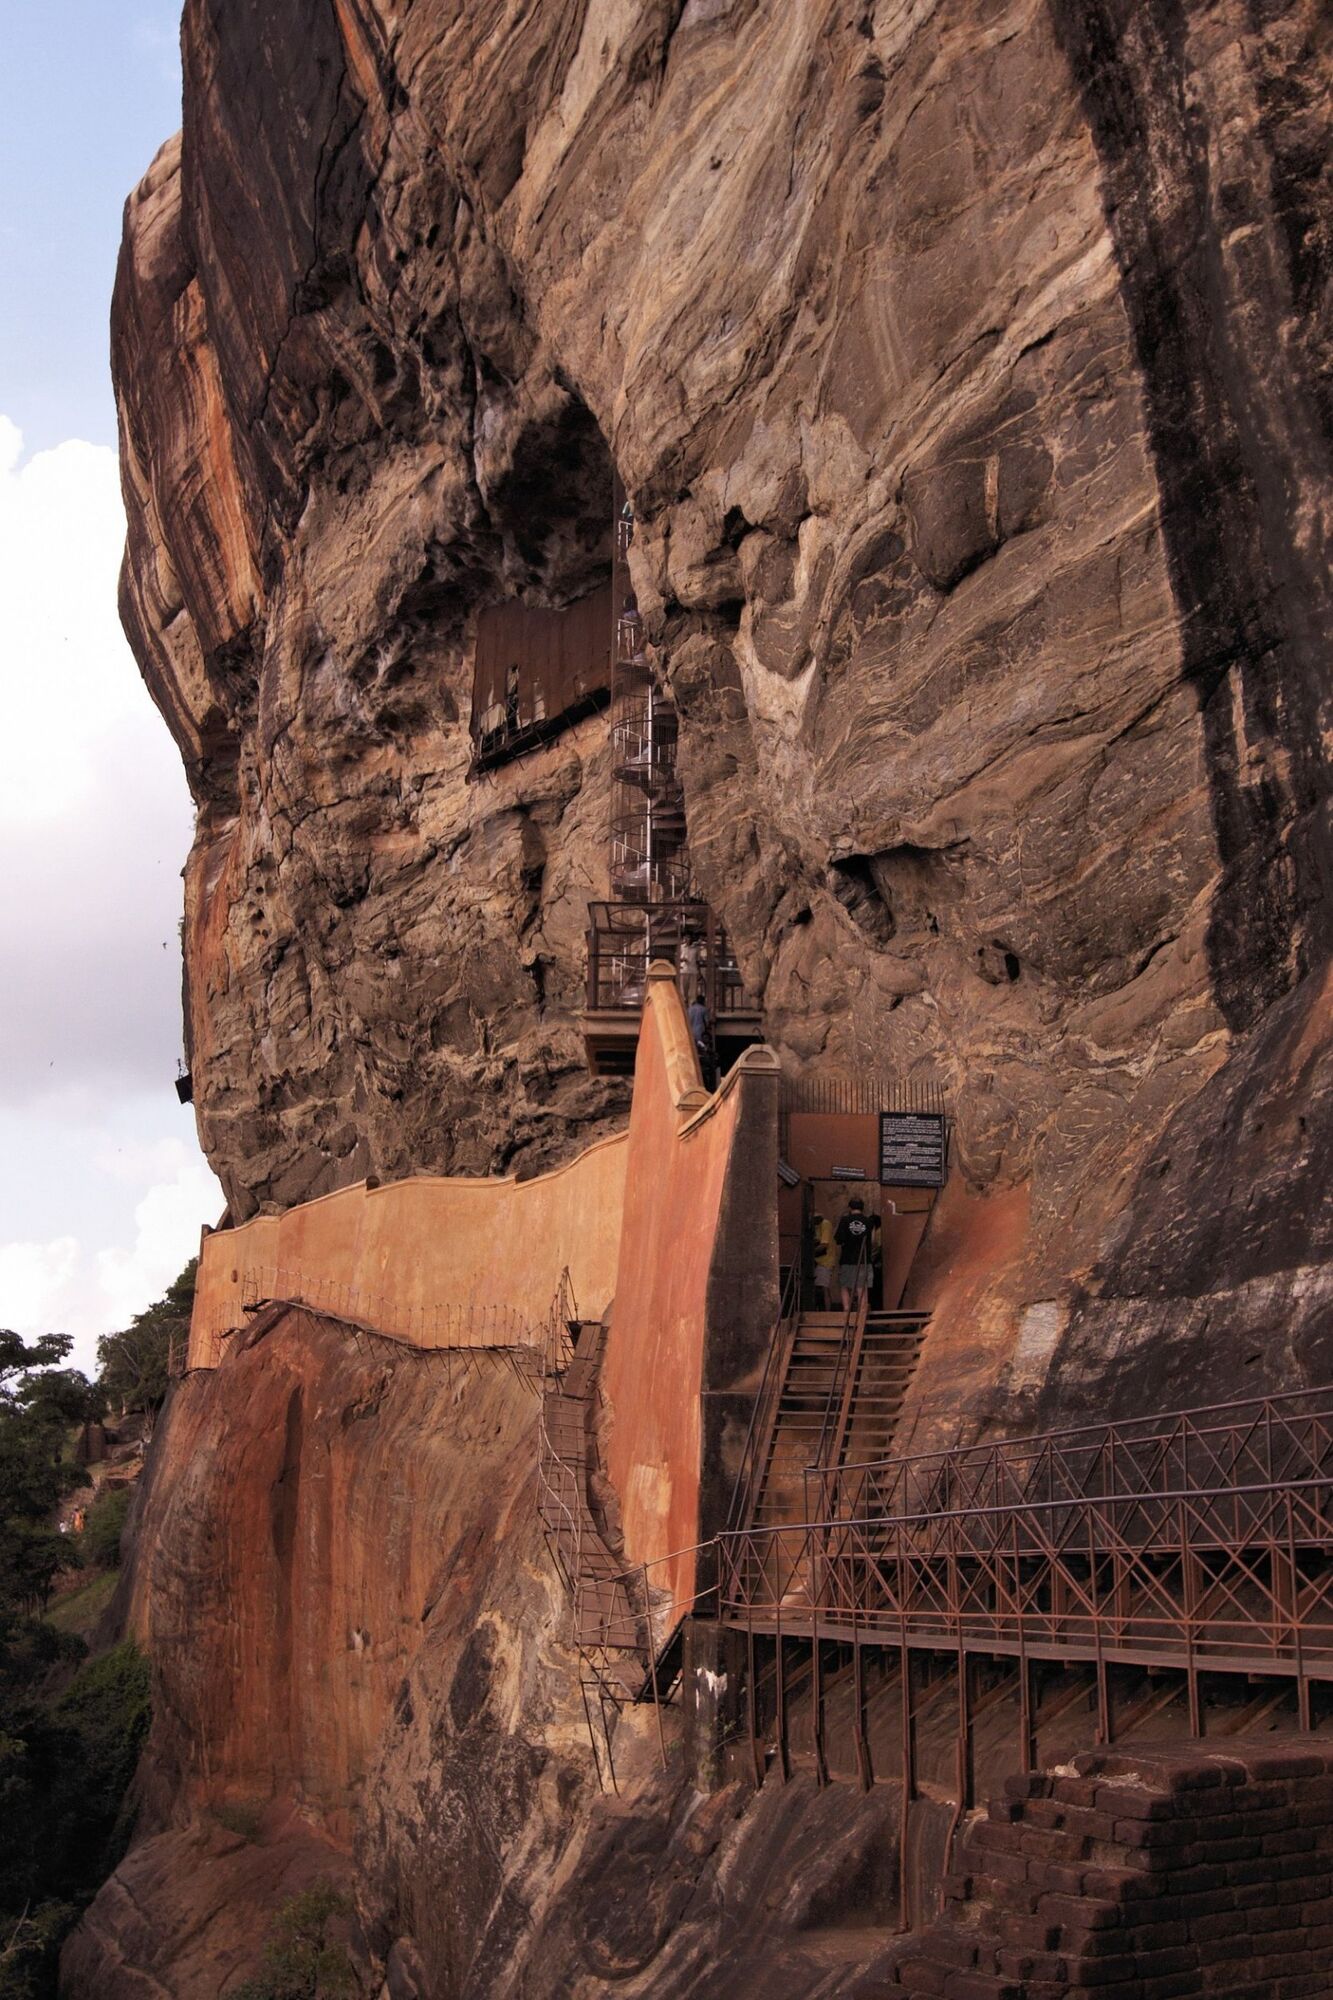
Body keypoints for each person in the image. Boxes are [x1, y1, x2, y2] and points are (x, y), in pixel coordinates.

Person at [835, 1196, 874, 1311]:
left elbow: (838, 1239)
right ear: (863, 1208)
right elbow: (873, 1241)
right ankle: (862, 1311)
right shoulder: (869, 1221)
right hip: (864, 1259)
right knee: (862, 1287)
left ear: (849, 1207)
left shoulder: (844, 1220)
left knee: (845, 1286)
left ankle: (847, 1309)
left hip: (847, 1258)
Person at [687, 990, 716, 1088]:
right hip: (700, 1032)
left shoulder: (690, 1009)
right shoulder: (704, 1009)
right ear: (703, 1001)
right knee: (701, 1047)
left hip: (690, 1032)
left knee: (693, 1048)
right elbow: (707, 1022)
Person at [811, 1212, 835, 1307]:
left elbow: (824, 1244)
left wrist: (810, 1253)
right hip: (817, 1260)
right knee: (820, 1287)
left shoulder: (825, 1224)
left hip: (825, 1260)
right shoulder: (815, 1227)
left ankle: (827, 1312)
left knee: (824, 1287)